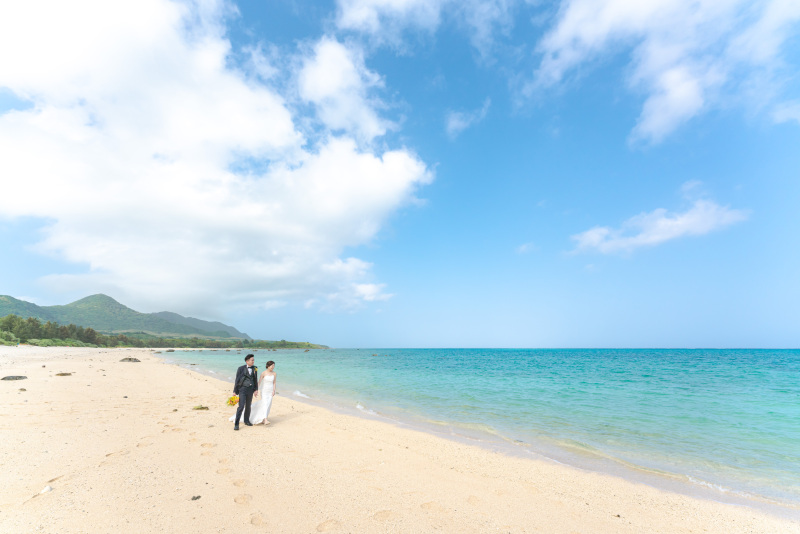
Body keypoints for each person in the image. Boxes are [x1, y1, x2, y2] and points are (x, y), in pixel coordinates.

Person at [232, 354, 258, 431]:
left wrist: (256, 389)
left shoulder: (255, 368)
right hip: (242, 389)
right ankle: (236, 424)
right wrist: (235, 391)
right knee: (241, 406)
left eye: (253, 360)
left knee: (248, 406)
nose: (253, 361)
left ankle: (246, 421)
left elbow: (255, 379)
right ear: (247, 361)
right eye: (252, 360)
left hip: (250, 390)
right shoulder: (240, 368)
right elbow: (237, 380)